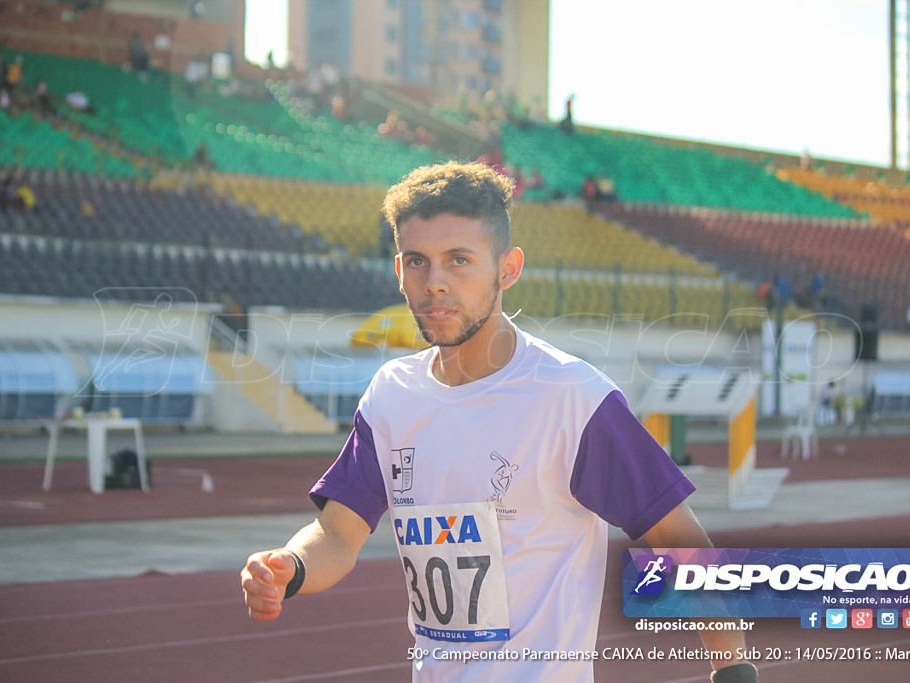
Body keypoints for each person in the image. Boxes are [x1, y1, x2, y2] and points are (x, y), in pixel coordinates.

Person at [240, 162, 757, 683]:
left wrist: (732, 668)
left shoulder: (572, 398)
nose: (435, 283)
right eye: (417, 261)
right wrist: (291, 566)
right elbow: (337, 533)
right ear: (399, 272)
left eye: (459, 260)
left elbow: (677, 538)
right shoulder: (391, 397)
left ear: (507, 269)